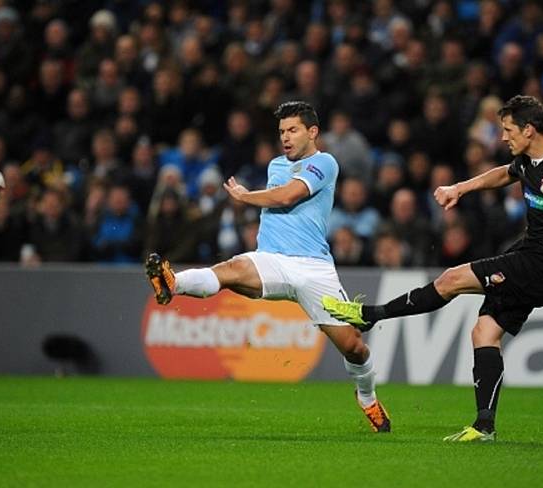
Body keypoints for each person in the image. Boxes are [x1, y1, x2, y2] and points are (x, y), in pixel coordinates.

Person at [321, 95, 543, 442]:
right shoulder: (527, 159)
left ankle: (370, 315)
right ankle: (484, 426)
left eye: (509, 129)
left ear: (529, 130)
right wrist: (460, 189)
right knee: (484, 332)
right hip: (530, 254)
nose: (503, 136)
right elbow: (503, 174)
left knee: (452, 279)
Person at [145, 101, 390, 433]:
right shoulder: (276, 165)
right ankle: (172, 284)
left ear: (312, 132)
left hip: (313, 267)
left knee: (354, 346)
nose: (285, 138)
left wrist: (246, 197)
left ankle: (367, 397)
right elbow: (278, 196)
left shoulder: (325, 163)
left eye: (292, 130)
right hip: (271, 259)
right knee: (231, 269)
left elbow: (288, 196)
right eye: (281, 132)